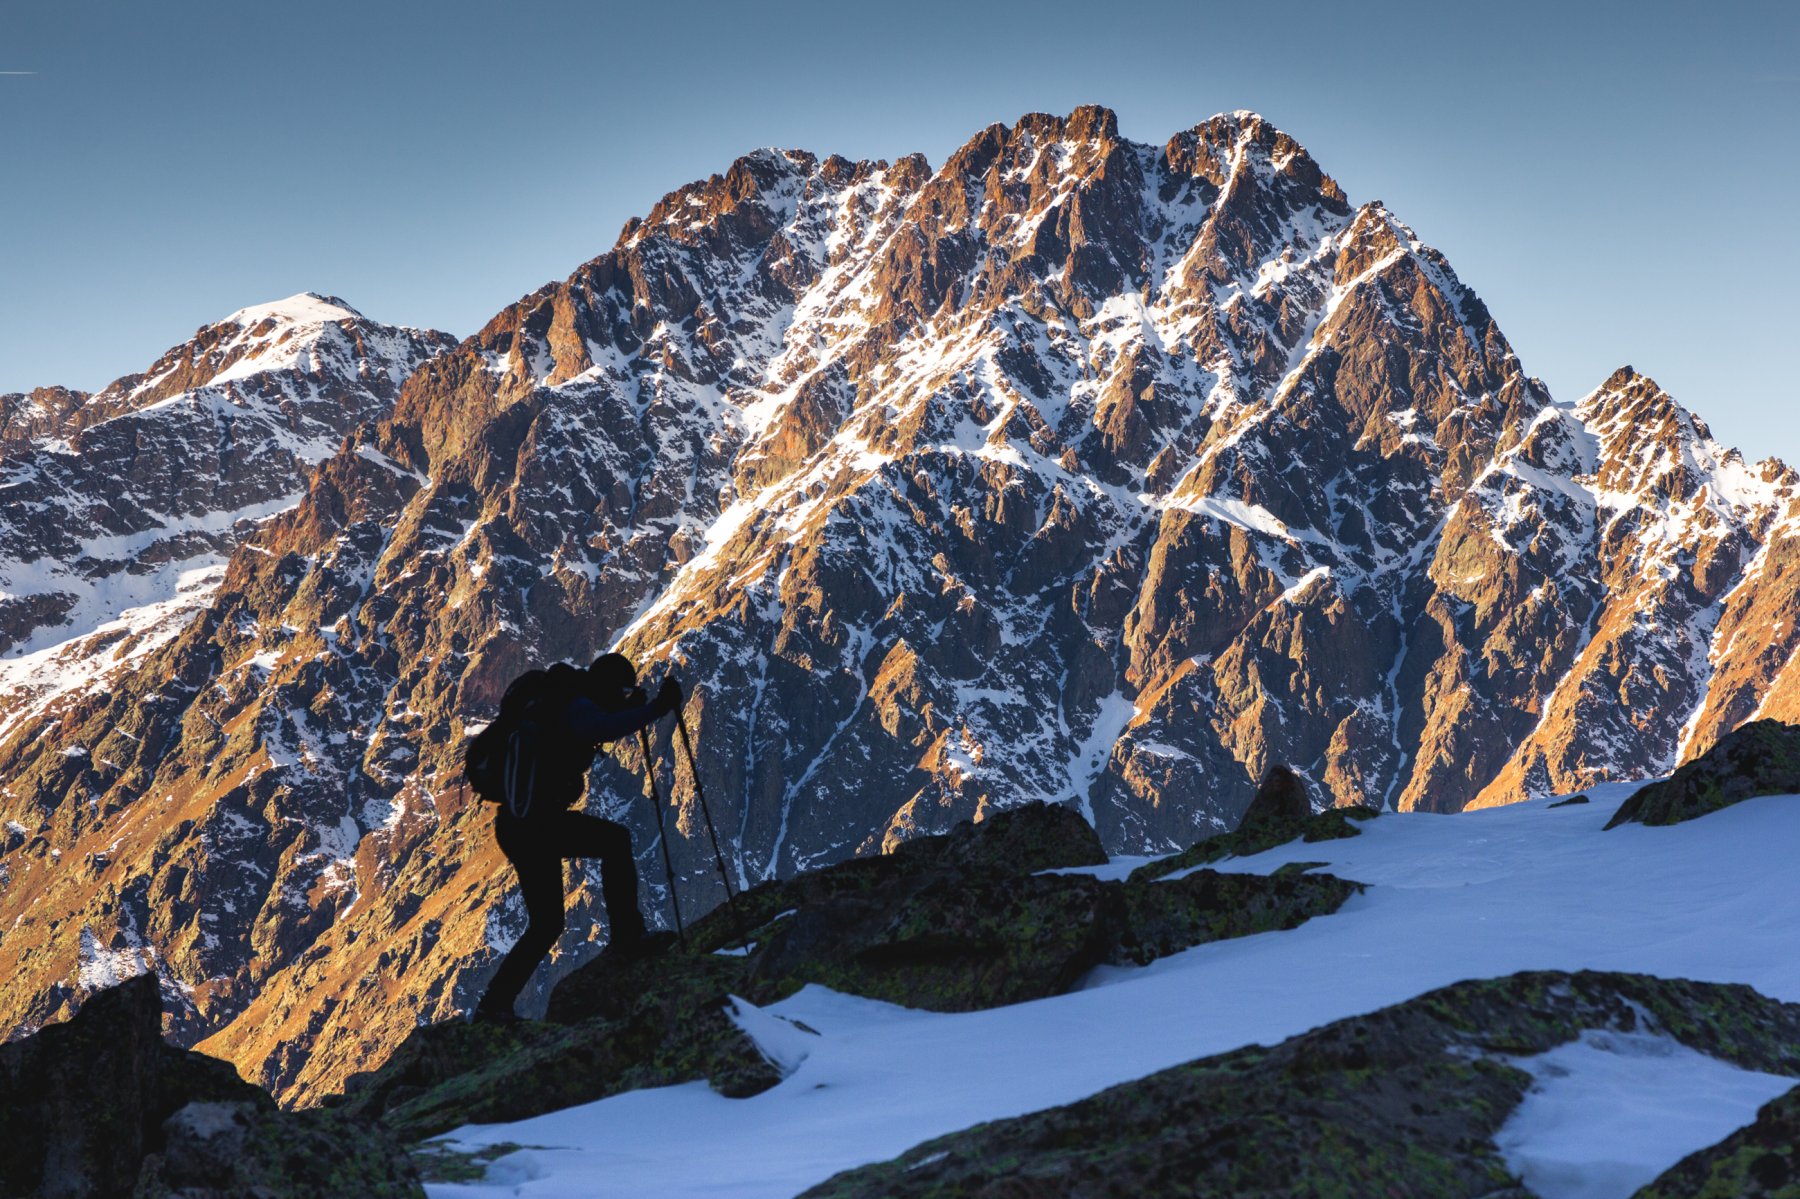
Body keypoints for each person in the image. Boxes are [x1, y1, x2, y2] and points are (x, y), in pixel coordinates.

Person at [475, 653, 682, 1022]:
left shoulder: (565, 701)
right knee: (614, 842)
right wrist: (654, 709)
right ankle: (628, 939)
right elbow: (599, 727)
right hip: (535, 825)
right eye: (621, 691)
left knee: (546, 923)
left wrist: (634, 707)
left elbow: (597, 724)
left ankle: (494, 1004)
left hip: (519, 824)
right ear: (608, 687)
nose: (622, 697)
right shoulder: (576, 705)